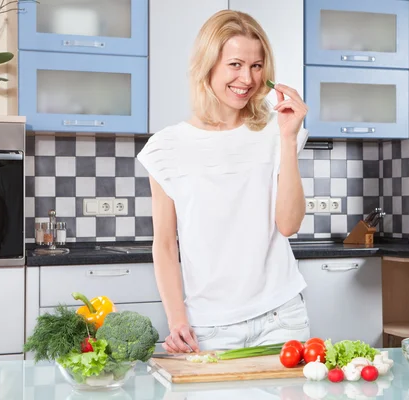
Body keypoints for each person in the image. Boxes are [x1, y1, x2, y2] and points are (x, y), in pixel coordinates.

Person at [137, 10, 311, 353]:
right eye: (235, 64)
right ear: (208, 64)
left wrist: (289, 139)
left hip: (282, 318)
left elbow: (289, 225)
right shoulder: (166, 147)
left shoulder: (278, 132)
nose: (247, 78)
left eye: (257, 66)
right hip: (210, 326)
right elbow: (165, 246)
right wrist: (177, 321)